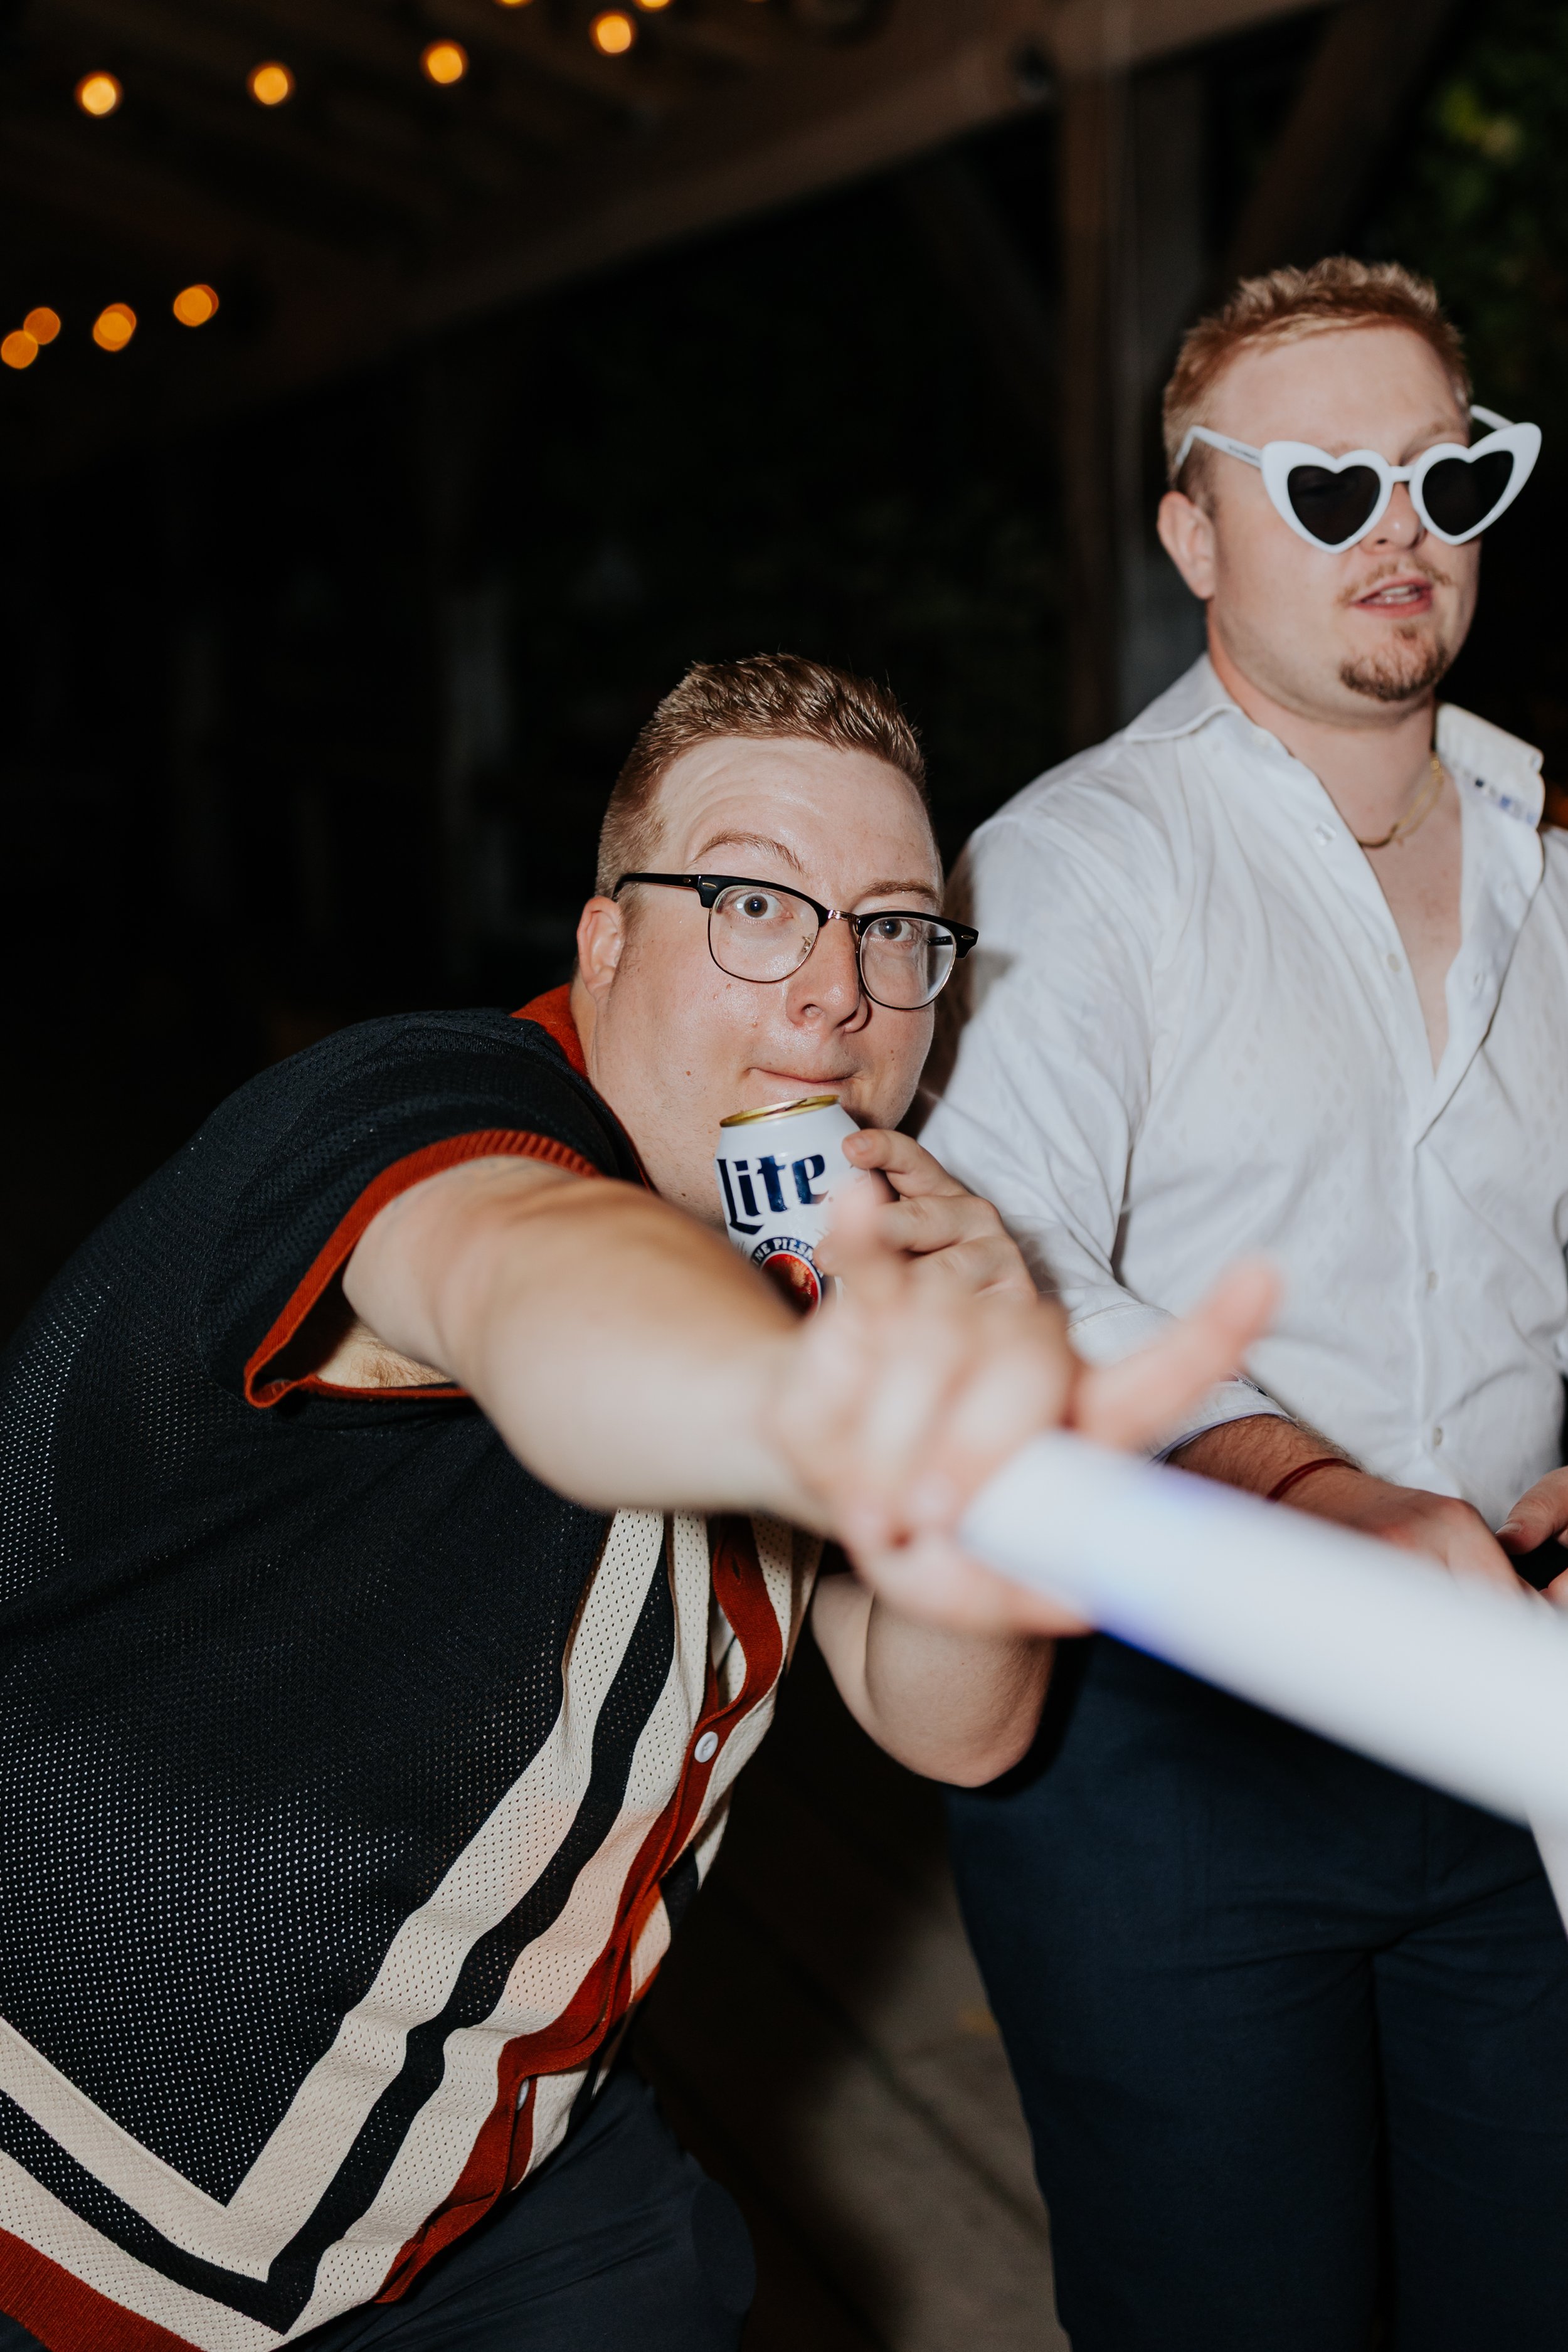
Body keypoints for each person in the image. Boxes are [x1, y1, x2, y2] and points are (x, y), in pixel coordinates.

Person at [0, 654, 1266, 2352]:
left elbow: (947, 1724)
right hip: (82, 2167)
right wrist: (797, 1406)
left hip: (485, 2157)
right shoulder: (422, 1107)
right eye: (753, 902)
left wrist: (986, 1430)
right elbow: (530, 1284)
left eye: (894, 929)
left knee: (678, 2279)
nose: (835, 995)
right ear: (603, 944)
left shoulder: (840, 1257)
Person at [921, 258, 1568, 2352]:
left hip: (1503, 1715)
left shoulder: (1544, 839)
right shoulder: (1074, 867)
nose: (1396, 527)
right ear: (1193, 534)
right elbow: (998, 1256)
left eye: (1439, 473)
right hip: (1168, 1747)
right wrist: (1315, 1492)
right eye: (1319, 484)